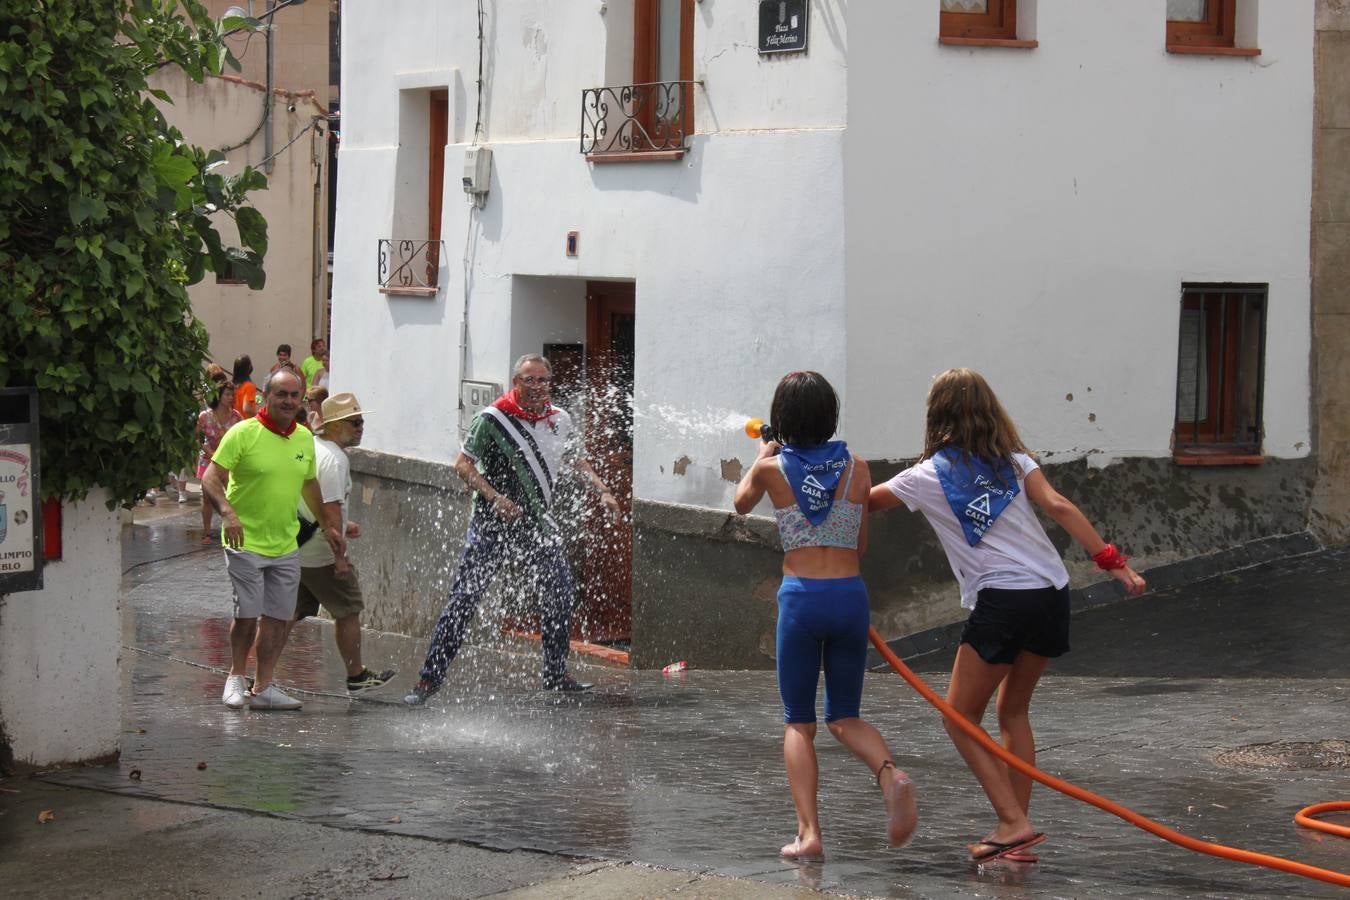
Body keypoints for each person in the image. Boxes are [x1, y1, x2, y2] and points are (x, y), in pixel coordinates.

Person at [869, 368, 1146, 863]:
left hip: (1004, 601)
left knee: (958, 718)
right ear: (988, 410)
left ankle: (1012, 823)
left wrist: (816, 477)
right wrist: (1115, 565)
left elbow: (865, 504)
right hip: (1050, 593)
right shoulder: (1015, 462)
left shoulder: (926, 476)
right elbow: (1058, 506)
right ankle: (1018, 831)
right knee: (1012, 712)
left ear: (936, 416)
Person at [733, 371, 918, 861]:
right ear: (829, 415)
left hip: (801, 597)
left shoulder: (773, 468)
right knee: (845, 716)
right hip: (849, 595)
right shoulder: (856, 466)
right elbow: (859, 542)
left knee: (799, 723)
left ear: (783, 420)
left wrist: (759, 458)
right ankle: (891, 775)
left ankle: (809, 834)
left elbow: (739, 503)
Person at [403, 354, 621, 705]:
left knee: (560, 594)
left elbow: (576, 459)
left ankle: (555, 673)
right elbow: (463, 466)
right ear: (515, 382)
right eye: (529, 380)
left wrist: (603, 491)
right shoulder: (492, 419)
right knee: (464, 601)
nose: (537, 388)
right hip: (492, 524)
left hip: (537, 523)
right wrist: (493, 497)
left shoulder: (559, 420)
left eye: (543, 381)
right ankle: (428, 681)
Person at [202, 370, 344, 711]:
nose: (289, 401)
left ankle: (264, 686)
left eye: (295, 395)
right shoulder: (243, 433)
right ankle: (236, 677)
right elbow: (210, 477)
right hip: (244, 540)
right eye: (281, 394)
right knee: (248, 613)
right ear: (266, 397)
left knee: (279, 618)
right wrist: (228, 514)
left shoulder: (303, 439)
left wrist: (329, 526)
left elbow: (310, 485)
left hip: (284, 544)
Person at [284, 392, 396, 693]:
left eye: (362, 422)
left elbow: (313, 501)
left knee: (287, 613)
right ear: (334, 425)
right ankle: (356, 676)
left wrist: (344, 524)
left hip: (299, 547)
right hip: (321, 552)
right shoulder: (334, 460)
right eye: (354, 422)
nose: (361, 428)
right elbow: (330, 510)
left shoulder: (314, 447)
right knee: (348, 608)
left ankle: (257, 671)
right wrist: (340, 560)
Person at [196, 381, 241, 541]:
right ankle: (207, 532)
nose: (230, 398)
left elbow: (241, 438)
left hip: (229, 461)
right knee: (207, 497)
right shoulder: (205, 416)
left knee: (233, 494)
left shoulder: (236, 416)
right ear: (219, 396)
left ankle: (234, 524)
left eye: (232, 395)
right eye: (227, 394)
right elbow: (198, 438)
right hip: (209, 459)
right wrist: (209, 452)